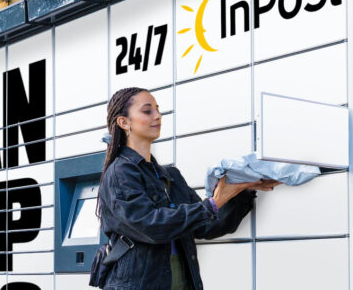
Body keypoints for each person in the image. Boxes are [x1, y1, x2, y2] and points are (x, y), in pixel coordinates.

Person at [95, 87, 280, 290]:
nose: (158, 116)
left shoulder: (170, 176)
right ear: (124, 122)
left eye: (158, 109)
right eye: (147, 111)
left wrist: (241, 190)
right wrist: (212, 204)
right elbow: (150, 226)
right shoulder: (120, 173)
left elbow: (206, 226)